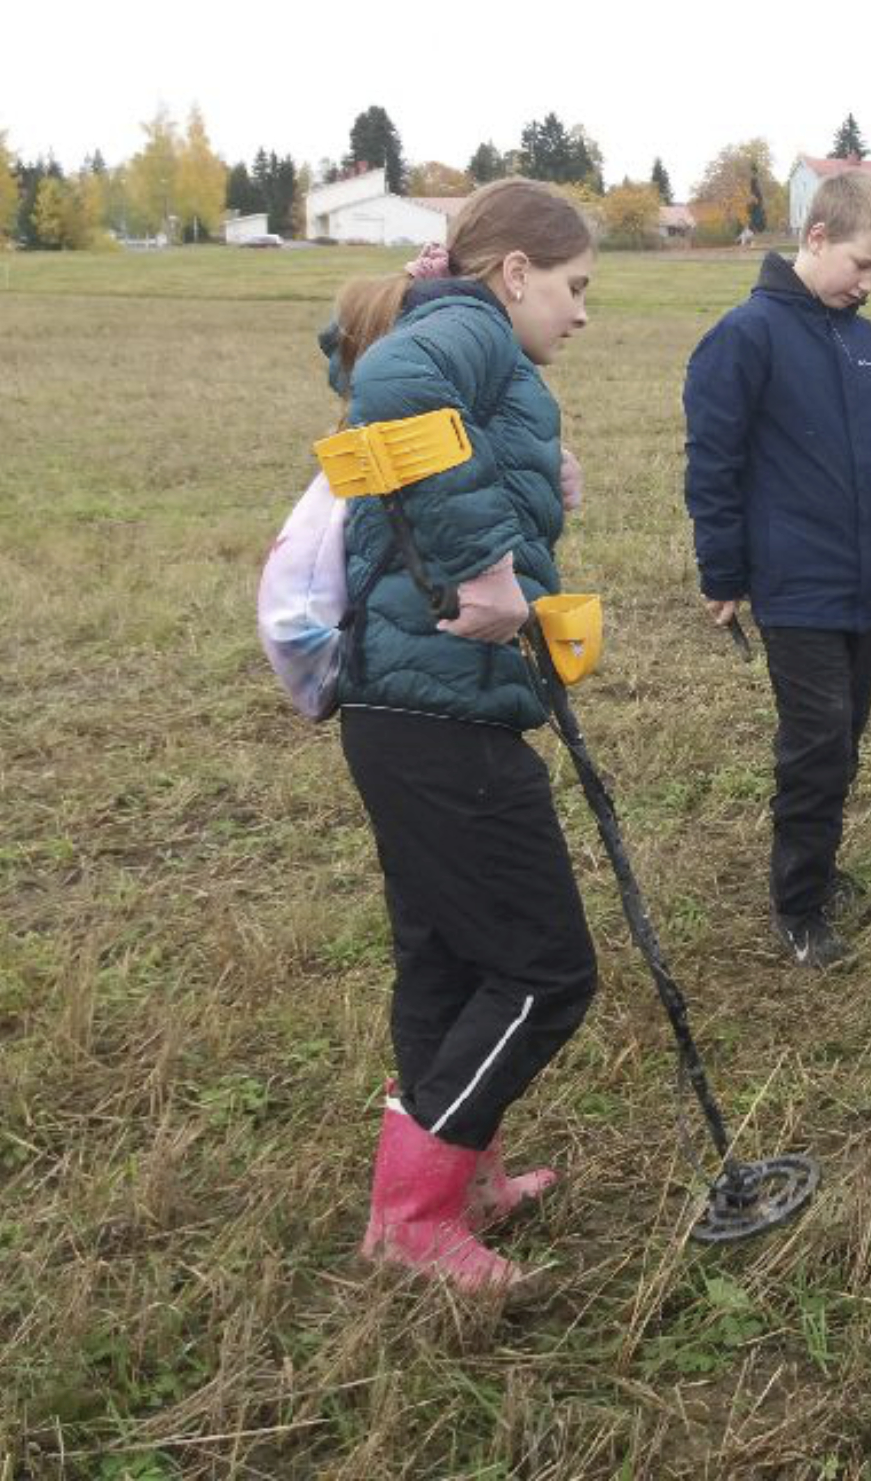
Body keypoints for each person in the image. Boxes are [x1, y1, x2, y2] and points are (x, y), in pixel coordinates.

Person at [328, 178, 599, 1293]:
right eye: (576, 288)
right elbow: (385, 391)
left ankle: (457, 1182)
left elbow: (421, 442)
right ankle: (412, 1220)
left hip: (407, 709)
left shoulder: (473, 343)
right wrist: (489, 563)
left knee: (448, 959)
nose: (583, 314)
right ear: (516, 272)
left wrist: (537, 486)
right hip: (438, 714)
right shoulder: (461, 331)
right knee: (545, 972)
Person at [684, 169, 871, 971]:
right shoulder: (744, 337)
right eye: (860, 266)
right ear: (815, 239)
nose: (867, 286)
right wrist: (722, 574)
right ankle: (799, 904)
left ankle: (820, 864)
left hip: (870, 586)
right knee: (816, 744)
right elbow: (713, 465)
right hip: (796, 589)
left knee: (845, 739)